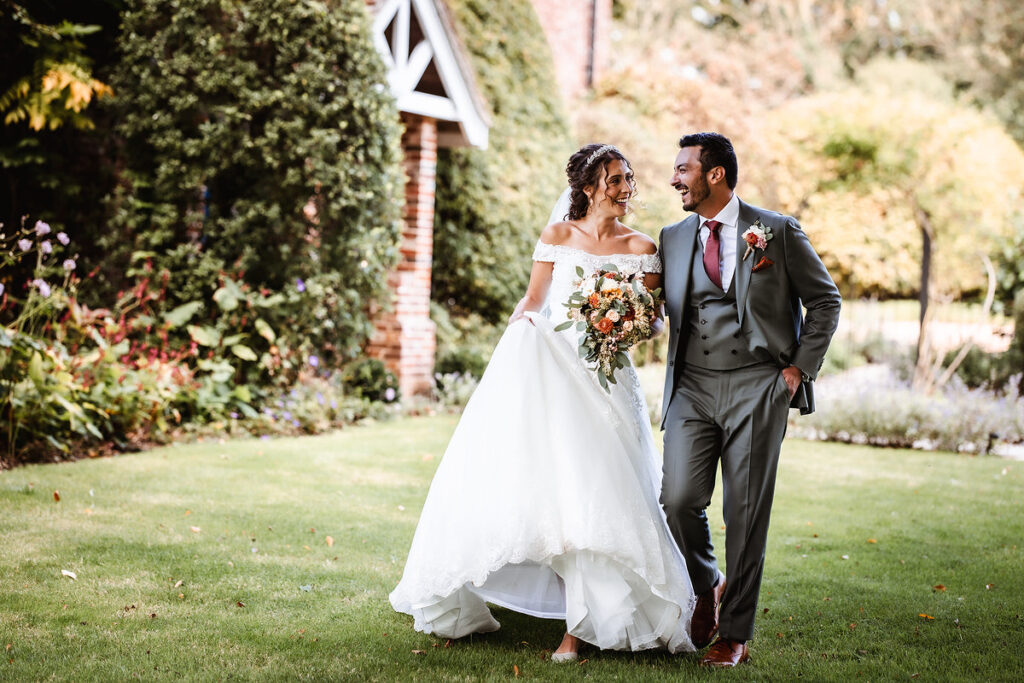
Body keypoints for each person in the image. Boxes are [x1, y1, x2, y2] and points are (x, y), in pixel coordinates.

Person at [390, 143, 696, 661]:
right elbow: (533, 301)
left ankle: (587, 623)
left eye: (627, 179)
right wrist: (514, 346)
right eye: (615, 180)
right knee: (561, 492)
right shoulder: (557, 236)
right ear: (588, 187)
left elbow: (652, 319)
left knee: (602, 491)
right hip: (555, 373)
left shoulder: (643, 246)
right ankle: (570, 624)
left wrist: (622, 324)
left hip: (607, 380)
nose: (626, 189)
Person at [658, 132, 842, 667]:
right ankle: (706, 580)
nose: (674, 179)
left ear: (715, 174)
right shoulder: (671, 237)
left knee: (745, 513)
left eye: (683, 169)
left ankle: (733, 632)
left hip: (757, 386)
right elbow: (655, 304)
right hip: (692, 385)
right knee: (678, 499)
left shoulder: (776, 232)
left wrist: (797, 371)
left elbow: (825, 301)